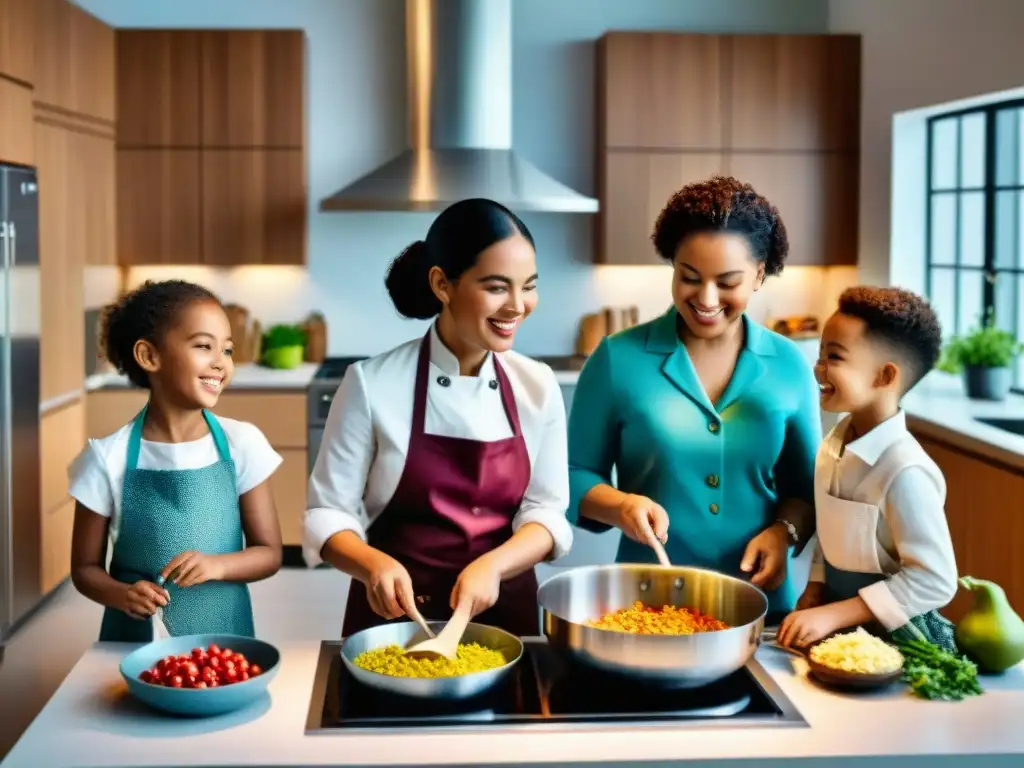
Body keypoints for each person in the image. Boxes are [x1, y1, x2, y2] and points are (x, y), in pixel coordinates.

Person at [304, 198, 572, 637]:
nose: (518, 305)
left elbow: (547, 512)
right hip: (395, 622)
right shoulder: (372, 384)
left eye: (529, 286)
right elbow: (327, 516)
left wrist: (494, 564)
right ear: (442, 285)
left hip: (508, 620)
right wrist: (373, 564)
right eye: (497, 286)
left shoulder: (537, 385)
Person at [568, 176, 820, 618]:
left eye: (727, 282)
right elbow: (570, 477)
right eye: (689, 277)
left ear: (760, 275)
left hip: (761, 607)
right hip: (647, 606)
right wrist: (621, 504)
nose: (705, 299)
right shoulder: (616, 358)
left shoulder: (789, 363)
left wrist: (784, 533)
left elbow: (806, 491)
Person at [68, 280, 284, 642]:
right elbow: (84, 570)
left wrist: (218, 565)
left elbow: (270, 553)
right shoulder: (107, 457)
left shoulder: (242, 444)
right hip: (133, 642)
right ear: (149, 356)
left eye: (227, 350)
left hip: (224, 643)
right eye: (204, 346)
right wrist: (121, 595)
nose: (221, 364)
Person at [777, 286, 959, 651]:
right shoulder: (833, 445)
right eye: (820, 354)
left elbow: (935, 580)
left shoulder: (906, 471)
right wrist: (815, 588)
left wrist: (836, 614)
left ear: (884, 376)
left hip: (901, 641)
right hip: (842, 633)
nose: (818, 368)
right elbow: (832, 533)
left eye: (834, 356)